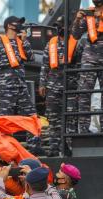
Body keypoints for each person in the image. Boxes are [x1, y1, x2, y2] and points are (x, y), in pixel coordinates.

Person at [39, 16, 80, 156]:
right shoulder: (51, 43)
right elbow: (44, 66)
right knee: (54, 119)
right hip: (53, 87)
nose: (59, 28)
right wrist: (42, 84)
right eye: (58, 26)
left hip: (70, 87)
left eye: (61, 25)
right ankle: (54, 148)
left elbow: (81, 64)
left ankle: (69, 148)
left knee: (70, 119)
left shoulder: (76, 43)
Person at [0, 16, 35, 117]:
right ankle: (4, 133)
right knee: (6, 116)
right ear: (9, 25)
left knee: (30, 114)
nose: (20, 25)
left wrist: (25, 41)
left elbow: (31, 58)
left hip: (21, 85)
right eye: (17, 23)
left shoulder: (21, 41)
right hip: (6, 86)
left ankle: (32, 133)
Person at [72, 0, 103, 133]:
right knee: (84, 94)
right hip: (89, 59)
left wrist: (100, 16)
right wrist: (77, 20)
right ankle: (83, 131)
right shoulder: (88, 13)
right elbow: (75, 34)